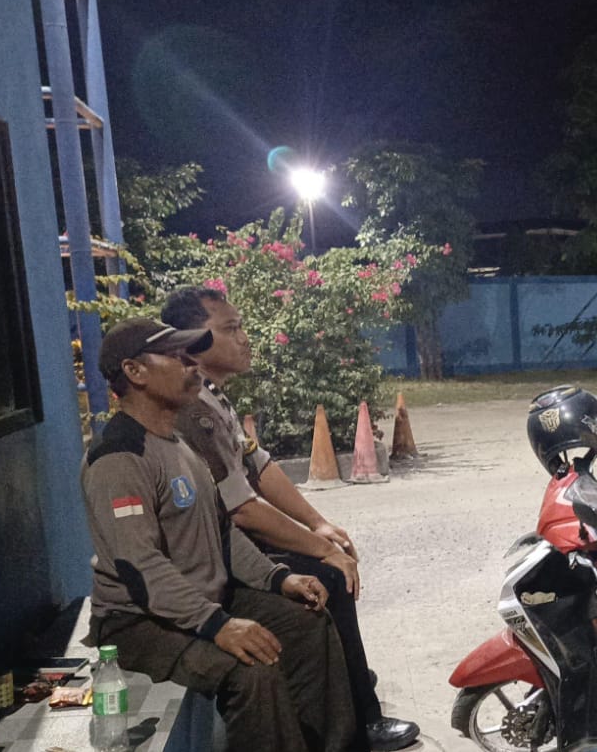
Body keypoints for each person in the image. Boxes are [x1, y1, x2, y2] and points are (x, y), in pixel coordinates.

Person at [160, 287, 419, 752]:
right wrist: (321, 549)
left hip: (234, 543)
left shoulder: (214, 397)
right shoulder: (193, 410)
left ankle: (351, 687)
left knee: (329, 565)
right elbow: (242, 509)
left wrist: (319, 525)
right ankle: (361, 716)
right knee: (328, 578)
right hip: (217, 557)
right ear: (190, 343)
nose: (244, 338)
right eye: (230, 329)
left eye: (241, 326)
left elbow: (259, 466)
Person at [80, 317, 356, 752]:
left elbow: (222, 531)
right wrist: (217, 625)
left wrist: (278, 578)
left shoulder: (178, 444)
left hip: (203, 601)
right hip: (138, 622)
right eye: (177, 356)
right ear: (134, 371)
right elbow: (139, 567)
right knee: (251, 669)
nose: (193, 365)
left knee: (307, 622)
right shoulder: (120, 457)